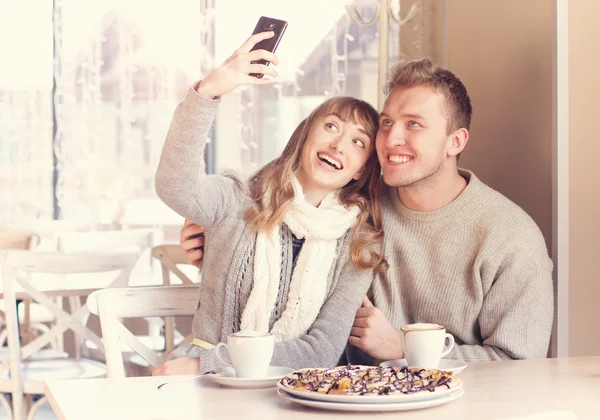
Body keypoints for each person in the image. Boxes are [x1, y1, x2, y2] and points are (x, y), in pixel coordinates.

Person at [181, 57, 554, 364]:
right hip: (339, 400)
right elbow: (277, 228)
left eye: (414, 125)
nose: (391, 139)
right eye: (387, 123)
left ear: (455, 141)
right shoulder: (350, 210)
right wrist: (220, 241)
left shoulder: (511, 238)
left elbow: (520, 365)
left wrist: (408, 352)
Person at [152, 31, 386, 376]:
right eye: (331, 126)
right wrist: (211, 90)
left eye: (358, 142)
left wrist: (211, 364)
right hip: (207, 383)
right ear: (306, 135)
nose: (339, 144)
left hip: (294, 389)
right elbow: (174, 185)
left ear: (362, 168)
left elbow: (320, 351)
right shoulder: (237, 199)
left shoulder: (360, 243)